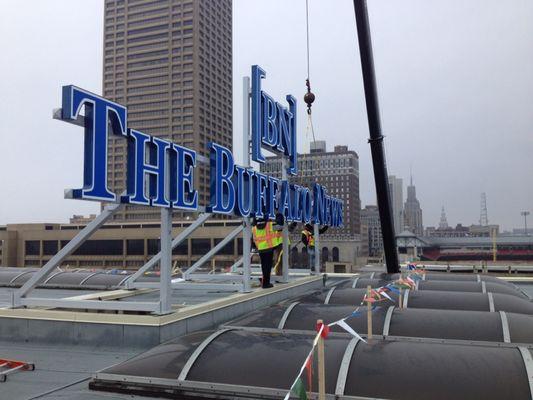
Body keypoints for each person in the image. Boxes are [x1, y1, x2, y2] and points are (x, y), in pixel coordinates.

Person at [252, 213, 296, 288]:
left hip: (261, 249)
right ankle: (266, 283)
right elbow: (280, 225)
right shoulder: (269, 226)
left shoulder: (254, 228)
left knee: (264, 266)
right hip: (269, 248)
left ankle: (265, 282)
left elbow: (253, 240)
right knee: (268, 267)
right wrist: (279, 215)